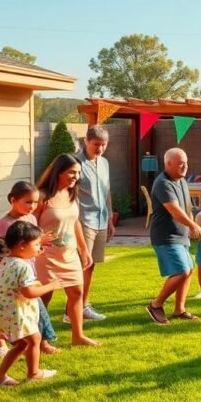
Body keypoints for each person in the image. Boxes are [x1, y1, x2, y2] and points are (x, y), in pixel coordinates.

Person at [35, 154, 99, 346]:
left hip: (69, 254)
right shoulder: (41, 196)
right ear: (59, 172)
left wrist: (84, 249)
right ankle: (41, 341)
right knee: (43, 299)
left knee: (77, 294)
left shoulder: (71, 194)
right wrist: (37, 240)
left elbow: (75, 222)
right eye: (72, 172)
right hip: (46, 256)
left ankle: (78, 336)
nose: (76, 177)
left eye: (78, 173)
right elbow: (28, 223)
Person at [0, 221, 61, 387]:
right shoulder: (23, 267)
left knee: (22, 343)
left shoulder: (5, 262)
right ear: (22, 245)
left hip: (5, 311)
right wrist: (50, 286)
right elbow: (29, 292)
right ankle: (34, 373)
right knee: (35, 339)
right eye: (36, 244)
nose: (38, 248)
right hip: (19, 312)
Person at [0, 181, 60, 355]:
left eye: (36, 202)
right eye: (28, 202)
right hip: (15, 277)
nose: (33, 206)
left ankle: (33, 343)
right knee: (29, 310)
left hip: (29, 271)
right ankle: (40, 343)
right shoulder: (4, 225)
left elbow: (31, 245)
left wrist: (39, 245)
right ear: (13, 200)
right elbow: (0, 252)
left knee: (24, 313)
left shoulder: (30, 218)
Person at [145, 148, 201, 324]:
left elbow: (187, 207)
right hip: (166, 236)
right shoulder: (163, 183)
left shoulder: (182, 181)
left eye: (186, 162)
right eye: (181, 163)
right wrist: (192, 225)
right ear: (168, 163)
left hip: (180, 235)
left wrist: (191, 226)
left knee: (189, 270)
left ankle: (179, 310)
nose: (185, 166)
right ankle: (155, 305)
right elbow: (174, 210)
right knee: (181, 271)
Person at [76, 125, 114, 322]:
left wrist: (110, 218)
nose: (100, 148)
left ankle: (84, 305)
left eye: (103, 145)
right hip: (82, 221)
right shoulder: (76, 163)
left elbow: (107, 191)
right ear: (86, 142)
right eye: (96, 144)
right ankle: (73, 310)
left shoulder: (105, 163)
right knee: (81, 265)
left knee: (91, 266)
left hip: (100, 220)